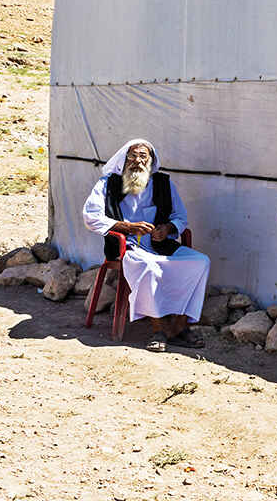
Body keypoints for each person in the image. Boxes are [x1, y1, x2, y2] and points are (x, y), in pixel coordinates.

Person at [82, 139, 210, 351]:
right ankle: (158, 329)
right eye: (132, 156)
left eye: (143, 157)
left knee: (200, 262)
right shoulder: (108, 183)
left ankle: (179, 327)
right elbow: (91, 216)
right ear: (123, 159)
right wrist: (127, 227)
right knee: (148, 268)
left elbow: (180, 217)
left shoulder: (163, 183)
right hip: (128, 247)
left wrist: (167, 229)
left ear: (151, 161)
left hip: (160, 246)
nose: (138, 161)